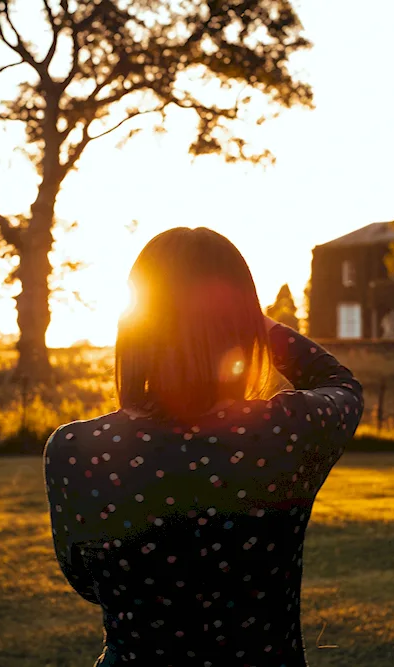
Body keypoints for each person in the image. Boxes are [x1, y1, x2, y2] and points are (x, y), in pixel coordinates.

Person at [43, 227, 364, 666]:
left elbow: (86, 580)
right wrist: (256, 324)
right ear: (240, 324)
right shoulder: (285, 432)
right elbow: (340, 385)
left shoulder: (78, 448)